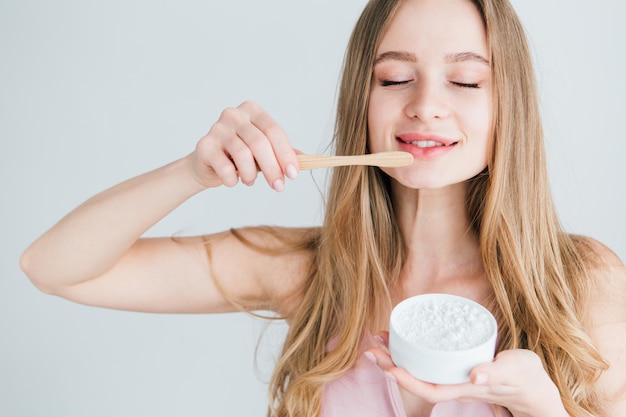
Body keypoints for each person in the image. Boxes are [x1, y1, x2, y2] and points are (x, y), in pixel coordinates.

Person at [20, 0, 626, 416]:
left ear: (508, 108)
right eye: (393, 79)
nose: (426, 106)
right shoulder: (308, 269)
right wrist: (192, 173)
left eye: (465, 83)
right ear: (360, 102)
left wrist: (543, 408)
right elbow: (53, 267)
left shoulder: (582, 283)